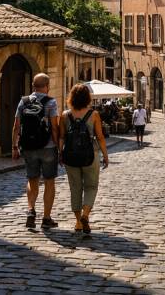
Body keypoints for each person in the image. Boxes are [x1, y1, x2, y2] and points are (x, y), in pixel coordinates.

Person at [11, 73, 60, 229]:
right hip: (48, 147)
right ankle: (46, 218)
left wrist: (14, 147)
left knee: (32, 179)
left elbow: (16, 126)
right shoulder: (51, 102)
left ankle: (31, 209)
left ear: (33, 86)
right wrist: (59, 147)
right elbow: (54, 127)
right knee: (49, 182)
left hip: (28, 147)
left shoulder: (23, 101)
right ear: (47, 86)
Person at [61, 83, 110, 235]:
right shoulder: (93, 114)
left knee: (75, 187)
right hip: (90, 155)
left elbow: (62, 137)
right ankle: (85, 215)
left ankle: (77, 222)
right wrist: (105, 155)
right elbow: (100, 137)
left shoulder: (65, 115)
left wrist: (60, 154)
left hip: (70, 155)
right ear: (87, 97)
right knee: (91, 186)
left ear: (71, 97)